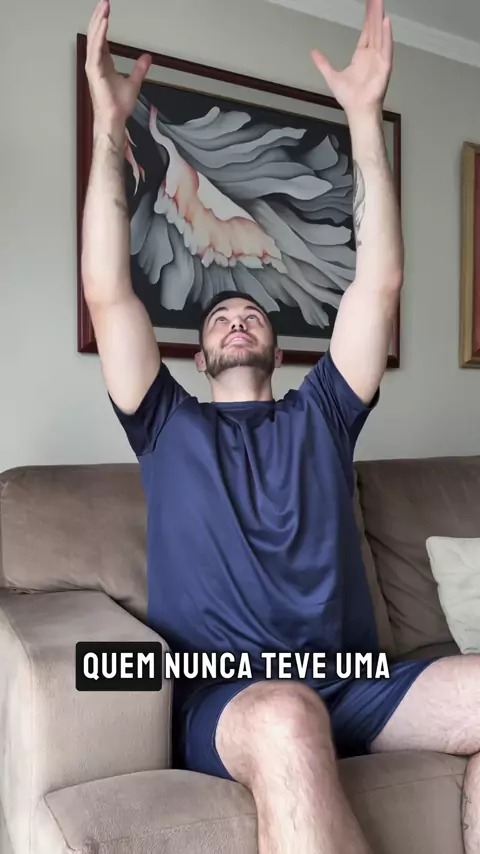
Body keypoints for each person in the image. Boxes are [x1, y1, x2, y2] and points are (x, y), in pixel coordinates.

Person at [82, 1, 480, 852]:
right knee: (289, 713)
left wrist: (365, 121)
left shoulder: (324, 413)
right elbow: (108, 293)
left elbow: (377, 284)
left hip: (356, 684)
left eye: (251, 314)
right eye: (219, 317)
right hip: (234, 700)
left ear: (275, 344)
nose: (236, 320)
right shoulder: (163, 424)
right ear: (198, 357)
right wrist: (109, 133)